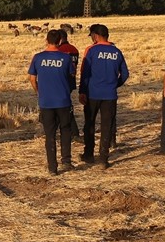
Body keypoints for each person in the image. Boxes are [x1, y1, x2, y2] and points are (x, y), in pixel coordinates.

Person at [78, 23, 128, 168]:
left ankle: (88, 154)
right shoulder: (117, 52)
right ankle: (103, 159)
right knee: (107, 125)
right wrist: (114, 84)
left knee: (90, 124)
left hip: (92, 93)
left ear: (95, 35)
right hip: (110, 95)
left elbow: (85, 73)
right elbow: (125, 74)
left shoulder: (92, 51)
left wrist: (82, 91)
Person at [28, 31, 75, 175]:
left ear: (46, 40)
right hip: (63, 101)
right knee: (65, 131)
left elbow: (31, 78)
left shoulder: (38, 57)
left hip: (46, 101)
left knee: (50, 134)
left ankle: (52, 167)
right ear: (60, 41)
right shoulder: (66, 58)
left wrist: (39, 92)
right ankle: (66, 161)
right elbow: (72, 75)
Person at [55, 27, 82, 140]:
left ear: (60, 39)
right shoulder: (74, 49)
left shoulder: (60, 51)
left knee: (61, 107)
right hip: (71, 81)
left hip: (61, 81)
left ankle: (70, 131)